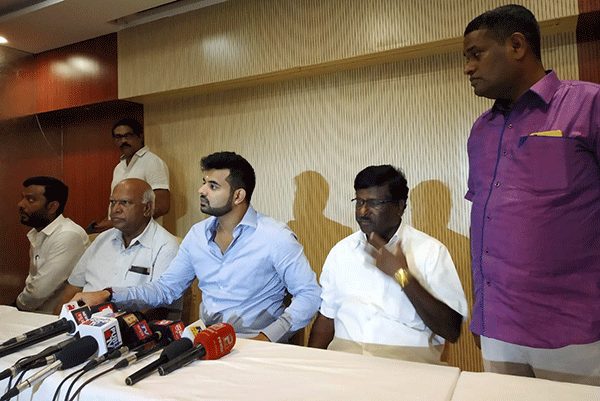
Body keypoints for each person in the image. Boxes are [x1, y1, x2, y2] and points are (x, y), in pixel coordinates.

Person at [463, 4, 600, 384]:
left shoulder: (588, 105)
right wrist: (481, 310)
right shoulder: (481, 130)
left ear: (517, 46)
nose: (467, 68)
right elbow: (483, 223)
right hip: (497, 328)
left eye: (476, 54)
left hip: (574, 331)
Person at [72, 152, 321, 343]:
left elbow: (309, 295)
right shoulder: (197, 235)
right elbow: (167, 289)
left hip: (256, 345)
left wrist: (267, 337)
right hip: (206, 342)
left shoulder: (275, 237)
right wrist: (109, 295)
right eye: (204, 183)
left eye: (213, 186)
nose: (202, 190)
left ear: (238, 196)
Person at [308, 165, 467, 364]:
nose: (363, 211)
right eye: (359, 202)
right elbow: (326, 319)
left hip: (406, 364)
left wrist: (401, 275)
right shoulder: (341, 251)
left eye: (373, 203)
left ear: (399, 207)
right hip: (344, 361)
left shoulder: (431, 252)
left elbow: (451, 330)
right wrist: (309, 366)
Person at [55, 178, 180, 317]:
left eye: (125, 203)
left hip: (126, 326)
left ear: (147, 209)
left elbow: (158, 304)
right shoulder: (101, 239)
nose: (115, 209)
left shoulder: (166, 246)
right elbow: (74, 287)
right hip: (80, 320)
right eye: (113, 202)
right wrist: (55, 321)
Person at [15, 176, 89, 314]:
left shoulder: (68, 234)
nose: (21, 204)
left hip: (55, 317)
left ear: (52, 207)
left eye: (30, 200)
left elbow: (38, 292)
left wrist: (16, 306)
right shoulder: (38, 232)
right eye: (22, 198)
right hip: (34, 313)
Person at [88, 118, 170, 233]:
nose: (123, 141)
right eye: (118, 137)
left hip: (145, 236)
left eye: (128, 135)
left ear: (140, 136)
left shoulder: (152, 162)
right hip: (119, 236)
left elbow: (162, 205)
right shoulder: (119, 167)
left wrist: (121, 221)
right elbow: (115, 204)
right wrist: (104, 225)